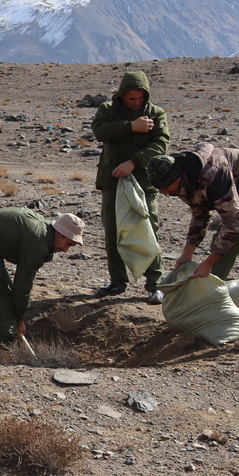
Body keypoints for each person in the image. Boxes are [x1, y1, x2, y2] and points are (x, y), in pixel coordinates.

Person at [147, 145, 239, 351]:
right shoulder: (181, 179)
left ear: (178, 176)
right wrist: (188, 251)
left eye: (167, 187)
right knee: (220, 253)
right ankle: (206, 317)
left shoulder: (213, 174)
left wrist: (208, 262)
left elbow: (233, 223)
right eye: (161, 189)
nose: (165, 192)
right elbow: (200, 212)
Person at [92, 71, 170, 303]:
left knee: (148, 230)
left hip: (143, 183)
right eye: (131, 99)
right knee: (113, 232)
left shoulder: (155, 113)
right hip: (112, 182)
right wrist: (130, 127)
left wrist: (133, 162)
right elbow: (99, 131)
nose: (137, 103)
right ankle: (117, 282)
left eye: (140, 98)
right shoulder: (107, 110)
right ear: (122, 96)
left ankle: (154, 284)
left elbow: (161, 144)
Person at [0, 208, 85, 347]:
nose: (66, 250)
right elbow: (23, 284)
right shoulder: (38, 242)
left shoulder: (44, 230)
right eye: (68, 244)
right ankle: (4, 347)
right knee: (3, 300)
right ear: (59, 232)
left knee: (6, 296)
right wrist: (20, 320)